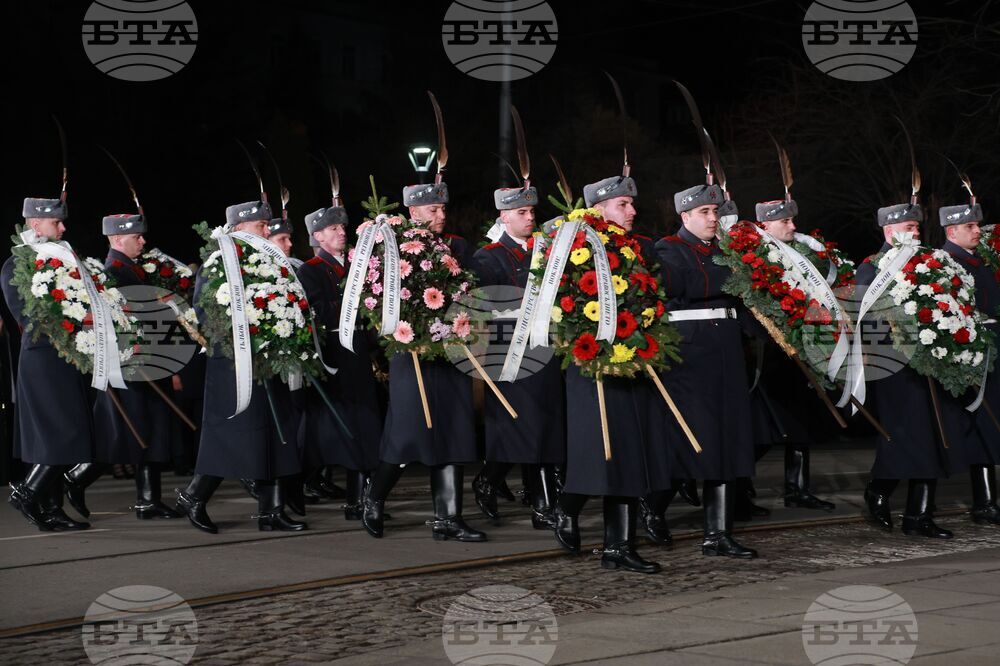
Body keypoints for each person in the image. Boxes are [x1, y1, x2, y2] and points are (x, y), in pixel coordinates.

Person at [547, 173, 672, 573]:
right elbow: (561, 301)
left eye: (631, 204)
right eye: (623, 204)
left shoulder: (633, 246)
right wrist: (591, 341)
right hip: (590, 363)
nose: (633, 211)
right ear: (599, 207)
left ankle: (618, 545)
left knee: (627, 454)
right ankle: (565, 509)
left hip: (629, 358)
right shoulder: (573, 242)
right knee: (596, 454)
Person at [360, 181, 486, 542]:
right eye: (433, 210)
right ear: (413, 212)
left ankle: (448, 518)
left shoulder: (457, 246)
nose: (441, 215)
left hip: (450, 353)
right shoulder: (391, 246)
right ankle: (374, 498)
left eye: (443, 209)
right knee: (408, 434)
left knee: (454, 431)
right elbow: (377, 295)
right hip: (410, 352)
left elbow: (470, 290)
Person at [173, 200, 305, 533]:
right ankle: (194, 496)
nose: (266, 231)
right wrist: (247, 335)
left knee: (276, 434)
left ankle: (271, 511)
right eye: (260, 226)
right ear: (238, 229)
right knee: (231, 436)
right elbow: (205, 315)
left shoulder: (272, 262)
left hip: (270, 359)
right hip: (234, 365)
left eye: (266, 225)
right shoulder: (220, 263)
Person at [652, 182, 759, 558]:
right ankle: (654, 508)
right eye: (704, 213)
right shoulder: (668, 248)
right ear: (685, 216)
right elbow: (680, 285)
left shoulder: (728, 251)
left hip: (727, 348)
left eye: (715, 212)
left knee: (728, 438)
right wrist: (733, 279)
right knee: (691, 437)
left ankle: (718, 534)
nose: (713, 218)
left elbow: (744, 298)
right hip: (690, 353)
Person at [64, 212, 182, 520]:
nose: (143, 242)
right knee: (122, 437)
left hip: (151, 363)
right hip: (129, 367)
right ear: (118, 239)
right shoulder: (113, 272)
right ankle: (74, 479)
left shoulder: (138, 269)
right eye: (136, 237)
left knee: (153, 432)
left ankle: (148, 500)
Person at [858, 203, 954, 538]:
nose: (914, 233)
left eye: (916, 227)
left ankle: (919, 515)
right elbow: (864, 315)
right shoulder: (871, 266)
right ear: (889, 229)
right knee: (902, 435)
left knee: (934, 435)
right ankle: (879, 489)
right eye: (908, 227)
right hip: (894, 364)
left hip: (932, 360)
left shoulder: (928, 263)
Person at [472, 184, 564, 529]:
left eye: (531, 212)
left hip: (545, 345)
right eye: (521, 213)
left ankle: (488, 480)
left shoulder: (545, 251)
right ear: (504, 217)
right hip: (510, 350)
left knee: (546, 424)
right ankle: (542, 507)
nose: (529, 218)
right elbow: (486, 301)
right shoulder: (489, 256)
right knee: (523, 426)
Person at [3, 195, 92, 530]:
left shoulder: (63, 256)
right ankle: (27, 493)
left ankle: (52, 509)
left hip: (67, 356)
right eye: (57, 222)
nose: (63, 227)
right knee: (62, 431)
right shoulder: (18, 262)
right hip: (43, 358)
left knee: (60, 433)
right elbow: (26, 315)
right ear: (36, 223)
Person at [298, 204, 382, 520]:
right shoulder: (311, 270)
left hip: (361, 352)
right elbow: (318, 310)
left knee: (366, 426)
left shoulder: (358, 265)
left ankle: (359, 499)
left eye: (342, 228)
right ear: (317, 236)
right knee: (346, 428)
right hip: (335, 355)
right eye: (333, 229)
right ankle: (347, 496)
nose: (341, 232)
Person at [938, 197, 1000, 525]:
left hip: (992, 348)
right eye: (970, 226)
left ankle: (987, 500)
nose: (978, 230)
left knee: (989, 425)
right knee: (979, 425)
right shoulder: (947, 262)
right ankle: (984, 502)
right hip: (970, 353)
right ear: (952, 231)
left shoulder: (978, 260)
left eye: (977, 225)